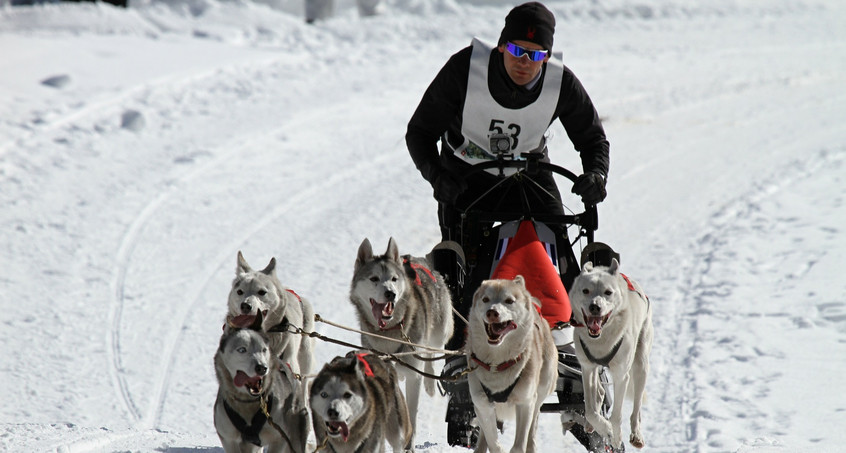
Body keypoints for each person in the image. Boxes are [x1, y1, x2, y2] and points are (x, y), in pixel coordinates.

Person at [405, 3, 616, 449]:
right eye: (518, 50)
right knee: (467, 274)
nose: (526, 62)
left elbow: (593, 139)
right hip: (465, 177)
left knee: (561, 250)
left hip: (528, 173)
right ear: (502, 46)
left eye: (536, 55)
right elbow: (418, 132)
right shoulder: (467, 69)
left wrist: (595, 176)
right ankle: (467, 368)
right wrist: (436, 175)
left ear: (547, 58)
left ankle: (578, 357)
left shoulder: (560, 82)